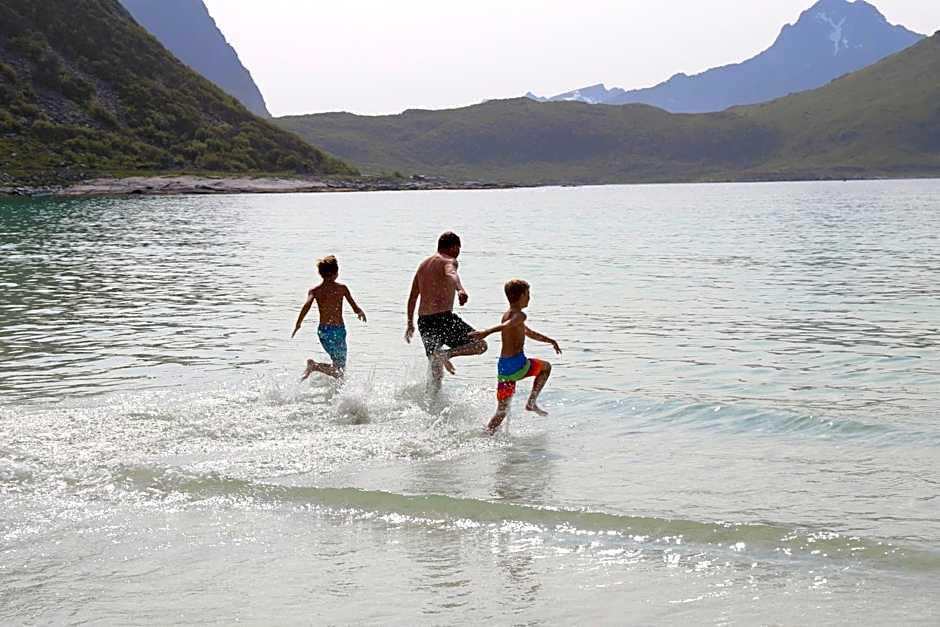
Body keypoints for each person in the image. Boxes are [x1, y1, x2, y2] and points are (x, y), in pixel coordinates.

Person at [470, 279, 561, 434]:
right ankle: (531, 402)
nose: (530, 298)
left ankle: (487, 434)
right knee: (546, 367)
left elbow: (529, 333)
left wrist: (550, 340)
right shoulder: (519, 315)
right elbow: (506, 327)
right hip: (517, 365)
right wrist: (486, 332)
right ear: (521, 296)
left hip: (504, 367)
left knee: (502, 411)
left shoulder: (508, 315)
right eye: (528, 294)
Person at [405, 231, 487, 392]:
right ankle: (447, 354)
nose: (459, 252)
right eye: (459, 248)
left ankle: (433, 403)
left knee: (436, 369)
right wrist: (460, 290)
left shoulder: (423, 266)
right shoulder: (449, 260)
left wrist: (410, 323)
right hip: (443, 318)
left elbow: (413, 297)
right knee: (480, 344)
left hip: (424, 321)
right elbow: (451, 273)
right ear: (454, 247)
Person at [292, 255, 366, 380]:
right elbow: (354, 307)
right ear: (335, 273)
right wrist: (360, 312)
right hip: (338, 331)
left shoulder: (315, 291)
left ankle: (320, 372)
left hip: (324, 332)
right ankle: (314, 366)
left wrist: (298, 323)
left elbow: (306, 306)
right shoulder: (342, 289)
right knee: (340, 370)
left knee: (338, 369)